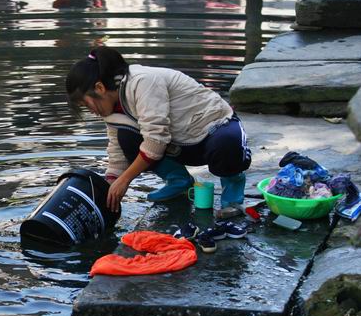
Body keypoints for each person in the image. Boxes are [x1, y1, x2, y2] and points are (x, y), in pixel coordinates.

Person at [65, 46, 251, 217]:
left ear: (100, 87)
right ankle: (179, 182)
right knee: (126, 138)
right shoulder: (111, 109)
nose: (90, 111)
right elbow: (117, 151)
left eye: (86, 104)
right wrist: (111, 184)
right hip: (180, 144)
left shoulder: (143, 82)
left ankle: (232, 201)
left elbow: (156, 141)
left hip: (214, 129)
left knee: (227, 143)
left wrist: (125, 180)